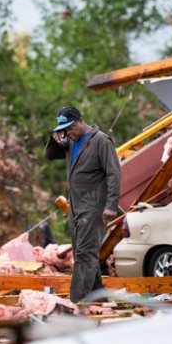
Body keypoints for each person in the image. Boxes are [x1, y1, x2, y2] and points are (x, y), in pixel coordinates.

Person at [45, 106, 121, 302]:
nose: (68, 133)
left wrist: (111, 205)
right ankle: (98, 298)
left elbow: (114, 174)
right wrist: (55, 138)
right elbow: (50, 155)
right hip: (76, 208)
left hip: (94, 207)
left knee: (85, 254)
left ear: (80, 120)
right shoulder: (70, 142)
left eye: (70, 128)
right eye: (64, 129)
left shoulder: (100, 141)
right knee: (84, 255)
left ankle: (76, 301)